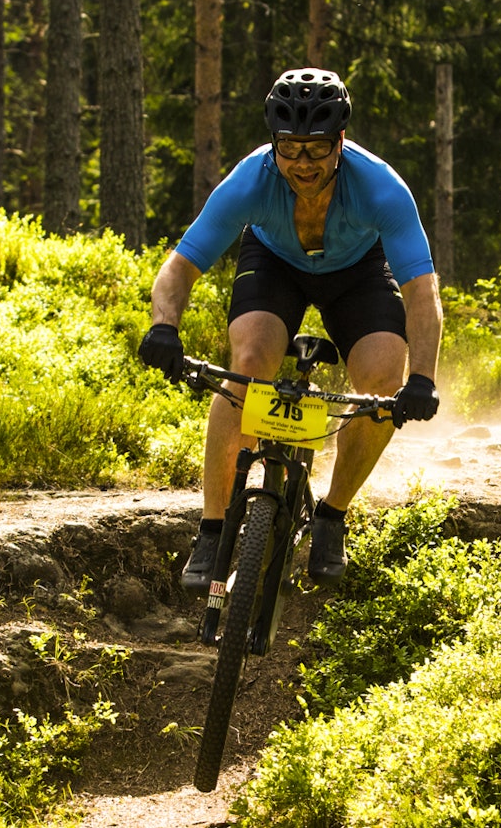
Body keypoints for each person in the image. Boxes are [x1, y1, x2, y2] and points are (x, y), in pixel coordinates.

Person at [138, 67, 443, 592]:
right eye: (290, 148)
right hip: (275, 264)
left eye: (317, 149)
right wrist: (164, 326)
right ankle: (212, 530)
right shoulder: (251, 179)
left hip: (358, 271)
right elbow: (180, 265)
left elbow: (421, 291)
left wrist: (422, 378)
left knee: (381, 379)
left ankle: (331, 516)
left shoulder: (380, 187)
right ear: (274, 142)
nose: (302, 163)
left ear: (340, 141)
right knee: (249, 366)